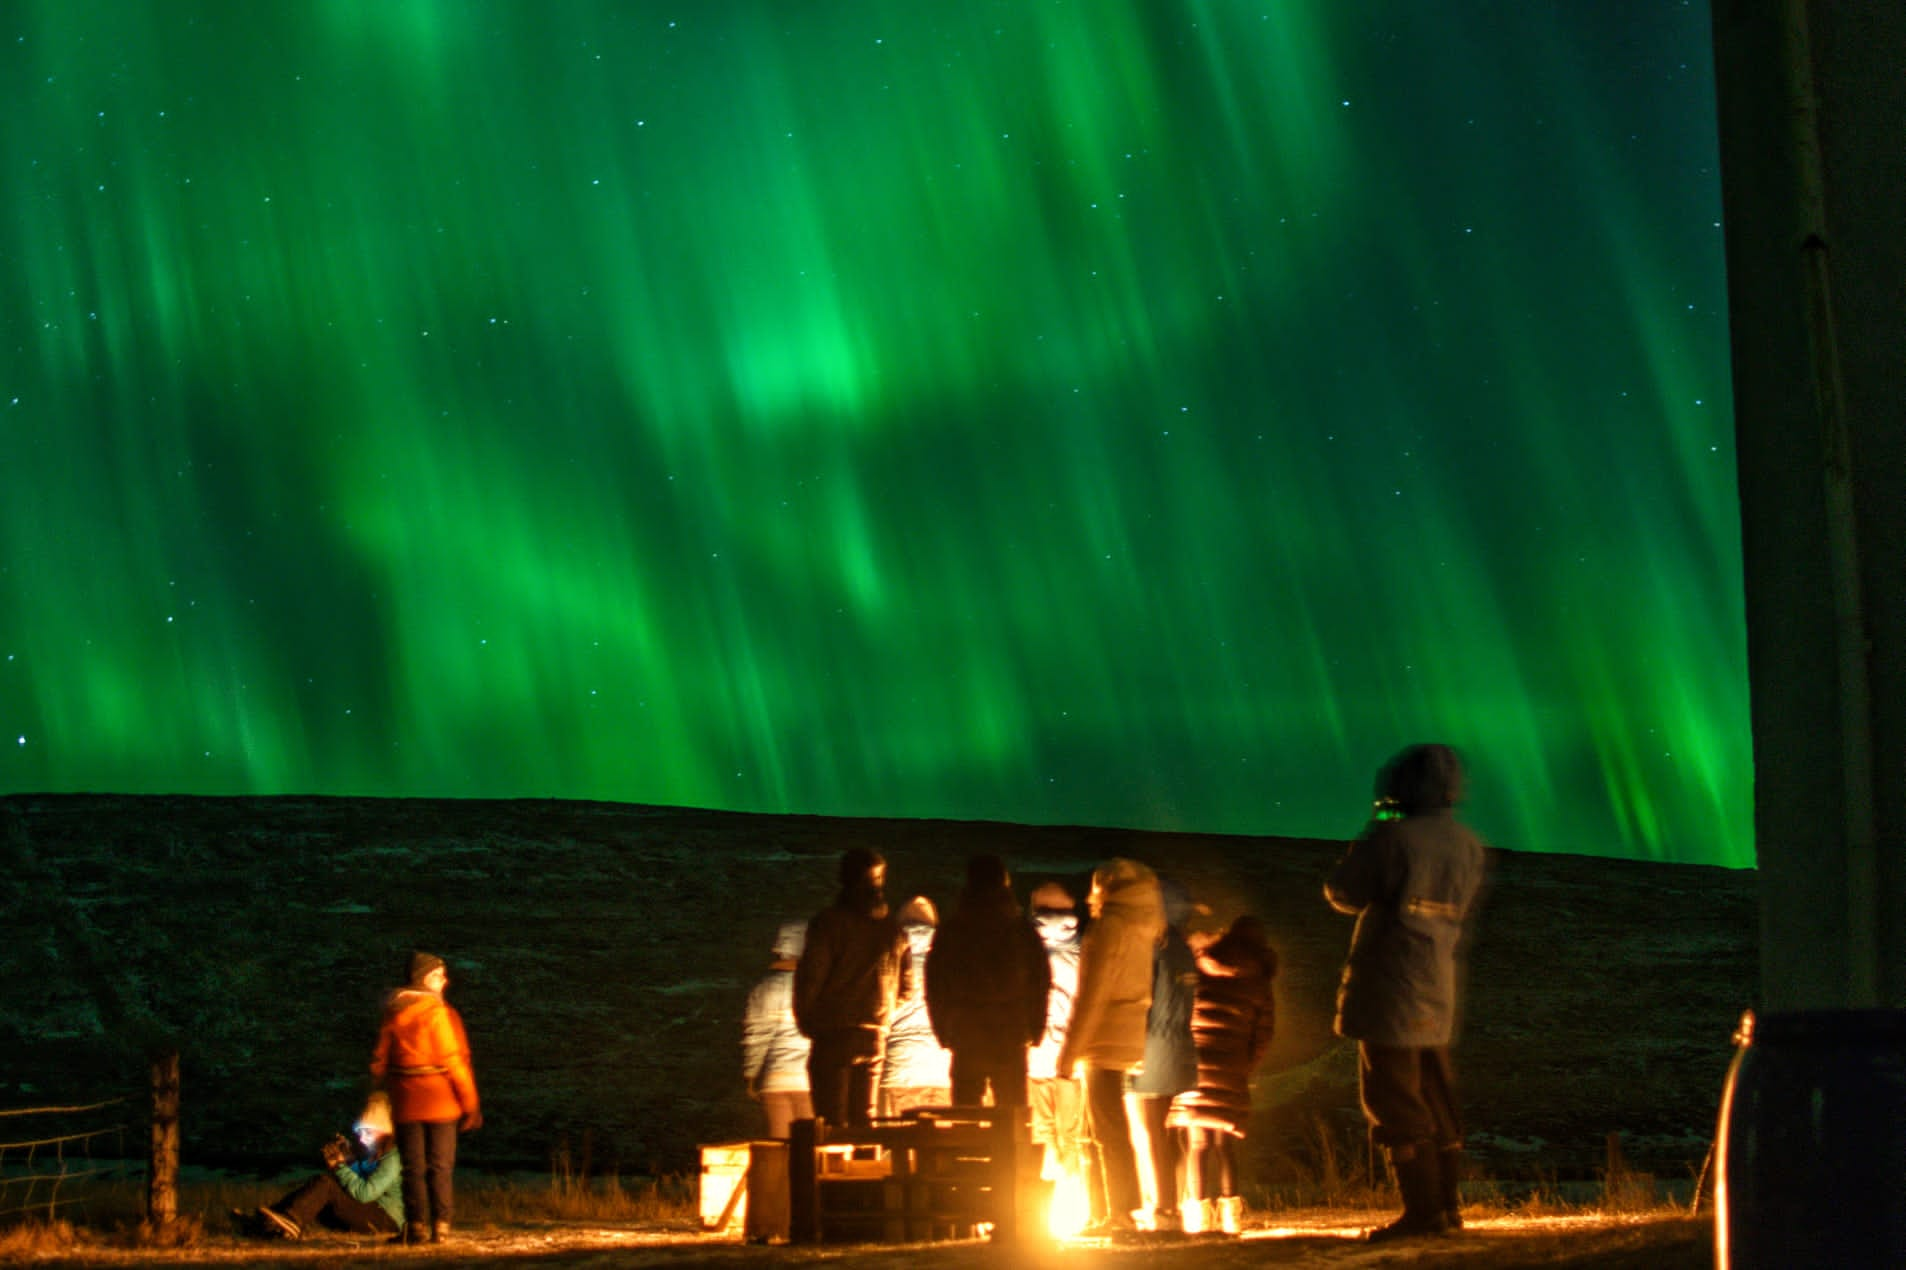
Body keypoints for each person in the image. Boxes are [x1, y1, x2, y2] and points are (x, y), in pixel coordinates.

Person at [1325, 743, 1488, 1242]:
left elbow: (1344, 892)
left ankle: (1421, 1212)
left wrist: (1375, 829)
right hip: (1437, 985)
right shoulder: (1466, 844)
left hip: (1390, 987)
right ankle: (1446, 1207)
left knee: (1394, 1100)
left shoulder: (1395, 838)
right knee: (1437, 1097)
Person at [1055, 858, 1165, 1238]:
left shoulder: (1109, 928)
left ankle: (1121, 1211)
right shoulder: (1142, 925)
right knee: (1107, 1125)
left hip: (1104, 1035)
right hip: (1128, 1030)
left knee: (1107, 1127)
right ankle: (1112, 1209)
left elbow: (1092, 993)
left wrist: (1069, 1052)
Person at [1169, 915, 1278, 1237]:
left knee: (1197, 1142)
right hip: (1232, 1065)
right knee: (1223, 1143)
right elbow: (1264, 1033)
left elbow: (1180, 1013)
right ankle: (1231, 1217)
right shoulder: (1258, 978)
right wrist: (1245, 1066)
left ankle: (1198, 1217)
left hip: (1194, 1062)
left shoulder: (1200, 965)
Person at [793, 848, 909, 1130]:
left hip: (834, 1033)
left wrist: (808, 1022)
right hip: (874, 1033)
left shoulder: (829, 924)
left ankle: (828, 1175)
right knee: (864, 1123)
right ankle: (868, 1172)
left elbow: (811, 978)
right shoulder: (893, 930)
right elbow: (907, 990)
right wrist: (882, 1014)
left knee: (830, 1126)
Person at [371, 950, 481, 1245]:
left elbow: (378, 1060)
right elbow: (454, 1061)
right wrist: (470, 1104)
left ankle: (417, 1225)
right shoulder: (438, 1014)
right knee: (440, 1166)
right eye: (439, 975)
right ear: (425, 978)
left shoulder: (393, 1012)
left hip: (406, 1101)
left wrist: (379, 1094)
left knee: (413, 1167)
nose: (445, 981)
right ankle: (441, 1225)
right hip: (440, 1100)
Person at [925, 855, 1050, 1109]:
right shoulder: (1021, 930)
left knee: (966, 1113)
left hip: (966, 1030)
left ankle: (967, 1149)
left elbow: (936, 986)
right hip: (1011, 1032)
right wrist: (1035, 1029)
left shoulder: (952, 930)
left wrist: (943, 1031)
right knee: (1012, 1114)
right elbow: (1040, 984)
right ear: (1005, 884)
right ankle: (1010, 1150)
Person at [1129, 875, 1200, 1232]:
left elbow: (1143, 1001)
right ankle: (1174, 1205)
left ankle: (1162, 1210)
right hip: (1179, 1047)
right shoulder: (1183, 949)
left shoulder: (1153, 946)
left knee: (1147, 1132)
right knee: (1165, 1134)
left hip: (1151, 1049)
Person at [245, 1092, 404, 1240]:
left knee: (326, 1184)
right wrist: (349, 1162)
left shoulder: (393, 1158)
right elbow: (363, 1178)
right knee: (319, 1186)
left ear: (386, 1132)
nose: (362, 1139)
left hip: (385, 1220)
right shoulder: (377, 1154)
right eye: (360, 1133)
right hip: (372, 1211)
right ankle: (269, 1223)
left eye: (369, 1132)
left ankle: (290, 1220)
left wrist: (339, 1168)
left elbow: (365, 1193)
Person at [1026, 880, 1088, 1194]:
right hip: (1072, 1057)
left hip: (1034, 1054)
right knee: (1073, 1134)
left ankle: (1044, 1202)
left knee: (1042, 1134)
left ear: (1035, 910)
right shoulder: (1083, 951)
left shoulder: (1025, 949)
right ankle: (1076, 1198)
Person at [741, 920, 814, 1138]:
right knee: (811, 1147)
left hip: (774, 1080)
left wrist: (751, 1074)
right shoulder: (817, 985)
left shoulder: (763, 988)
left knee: (781, 1147)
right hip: (809, 1079)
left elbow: (756, 1035)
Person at [880, 896, 952, 1117]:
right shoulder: (949, 960)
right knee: (942, 1146)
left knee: (900, 1142)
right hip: (941, 1070)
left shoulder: (886, 961)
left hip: (901, 1070)